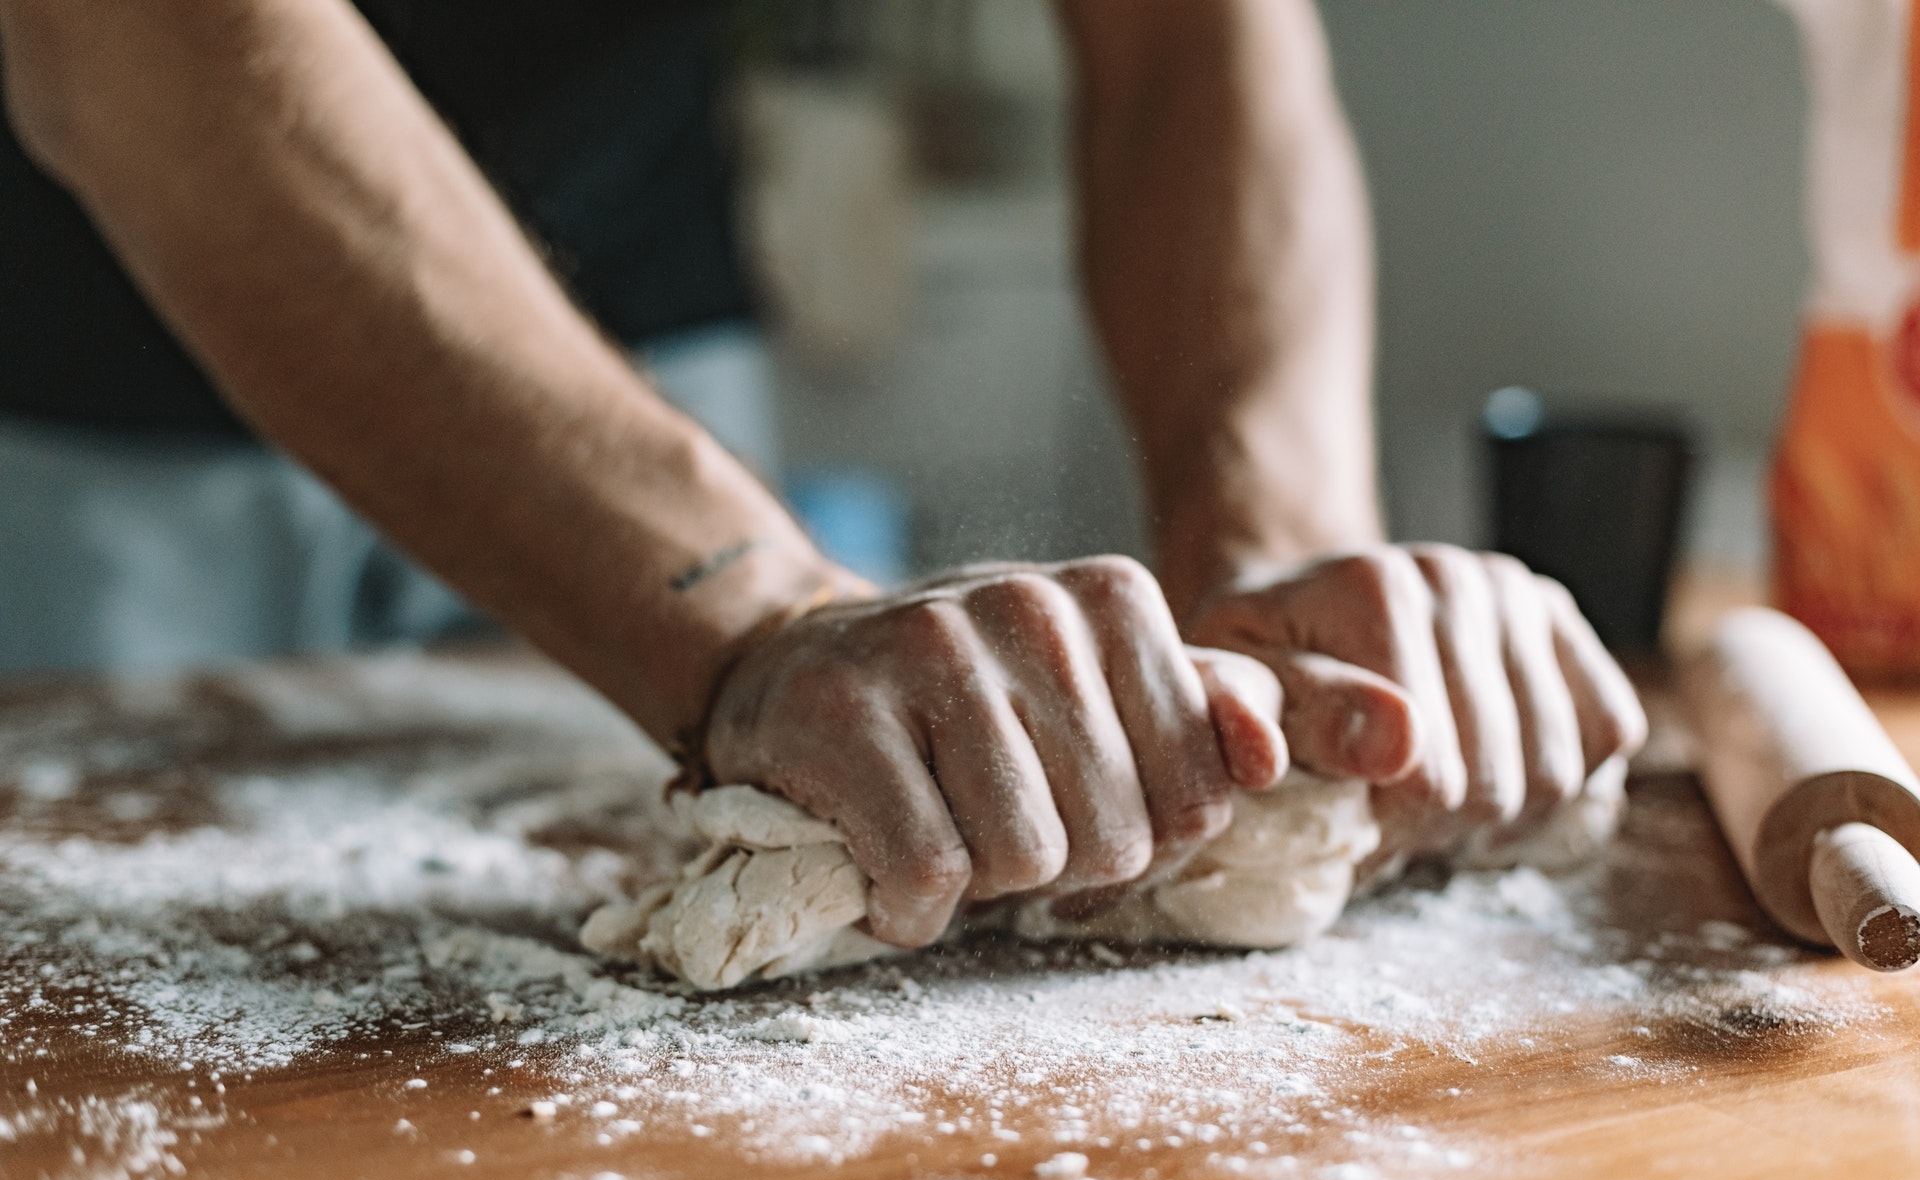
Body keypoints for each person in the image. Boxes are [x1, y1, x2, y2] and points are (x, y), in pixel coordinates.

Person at [0, 0, 1645, 948]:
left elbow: (1187, 40)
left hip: (632, 294)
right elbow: (139, 38)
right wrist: (750, 608)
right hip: (73, 361)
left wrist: (1276, 573)